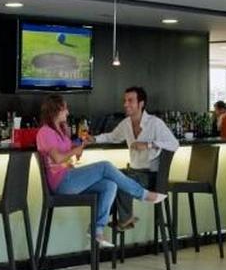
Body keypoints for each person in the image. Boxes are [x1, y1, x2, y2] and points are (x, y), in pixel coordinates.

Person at [36, 96, 166, 248]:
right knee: (105, 166)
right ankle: (143, 194)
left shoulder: (60, 130)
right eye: (65, 108)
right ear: (55, 110)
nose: (68, 112)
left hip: (69, 177)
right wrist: (74, 151)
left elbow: (68, 149)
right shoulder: (45, 132)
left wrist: (78, 145)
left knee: (110, 185)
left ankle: (96, 229)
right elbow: (57, 158)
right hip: (61, 183)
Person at [89, 86, 179, 229]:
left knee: (121, 180)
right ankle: (110, 220)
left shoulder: (155, 123)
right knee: (110, 177)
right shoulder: (126, 123)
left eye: (130, 100)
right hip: (134, 172)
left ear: (141, 104)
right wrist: (94, 139)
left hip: (151, 176)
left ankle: (118, 219)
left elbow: (174, 144)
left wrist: (148, 145)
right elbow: (112, 137)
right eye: (125, 101)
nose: (125, 104)